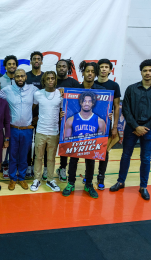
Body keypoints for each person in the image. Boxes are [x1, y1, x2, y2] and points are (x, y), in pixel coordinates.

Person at [110, 59, 151, 200]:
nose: (147, 73)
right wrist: (136, 126)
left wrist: (145, 127)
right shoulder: (131, 88)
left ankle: (143, 186)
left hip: (149, 129)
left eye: (150, 70)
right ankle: (121, 181)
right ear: (141, 72)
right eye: (145, 70)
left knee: (146, 158)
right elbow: (127, 109)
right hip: (131, 128)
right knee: (125, 155)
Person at [61, 61, 109, 199]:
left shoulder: (101, 92)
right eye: (87, 71)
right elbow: (67, 142)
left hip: (92, 140)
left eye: (92, 72)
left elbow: (100, 143)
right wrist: (62, 115)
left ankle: (88, 184)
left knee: (91, 161)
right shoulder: (76, 88)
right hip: (76, 141)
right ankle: (70, 183)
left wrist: (108, 115)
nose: (90, 74)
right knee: (73, 161)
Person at [0, 69, 39, 190]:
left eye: (22, 76)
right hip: (13, 129)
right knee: (13, 155)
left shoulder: (33, 89)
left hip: (27, 129)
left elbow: (36, 102)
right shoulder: (6, 90)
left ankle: (21, 178)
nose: (20, 78)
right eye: (17, 76)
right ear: (13, 78)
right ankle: (12, 178)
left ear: (25, 77)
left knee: (23, 155)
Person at [30, 71, 62, 192]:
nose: (50, 80)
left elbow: (65, 110)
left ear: (55, 80)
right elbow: (31, 108)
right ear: (44, 80)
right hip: (40, 131)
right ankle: (37, 179)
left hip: (54, 132)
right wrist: (32, 120)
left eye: (52, 78)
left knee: (51, 158)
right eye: (48, 78)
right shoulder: (38, 94)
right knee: (38, 157)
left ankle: (50, 180)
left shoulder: (60, 94)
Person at [94, 58, 121, 190]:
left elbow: (116, 107)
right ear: (97, 69)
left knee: (104, 151)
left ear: (110, 70)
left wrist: (115, 126)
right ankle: (88, 175)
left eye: (106, 67)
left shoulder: (114, 86)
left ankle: (101, 176)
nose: (104, 69)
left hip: (106, 124)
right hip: (91, 124)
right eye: (101, 66)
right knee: (90, 149)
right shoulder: (91, 84)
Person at [55, 58, 80, 182]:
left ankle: (63, 168)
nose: (61, 68)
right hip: (52, 119)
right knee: (49, 145)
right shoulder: (51, 81)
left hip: (68, 120)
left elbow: (79, 103)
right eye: (59, 66)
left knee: (66, 145)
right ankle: (45, 168)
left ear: (68, 68)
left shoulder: (74, 83)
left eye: (64, 66)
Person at [26, 51, 46, 179]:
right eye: (34, 59)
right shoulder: (26, 77)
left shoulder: (46, 77)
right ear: (31, 61)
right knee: (28, 143)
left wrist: (39, 115)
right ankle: (28, 166)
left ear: (42, 62)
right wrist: (30, 116)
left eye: (39, 59)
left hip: (43, 117)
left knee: (41, 145)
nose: (36, 61)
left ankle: (41, 168)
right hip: (27, 117)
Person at [0, 55, 18, 178]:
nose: (12, 66)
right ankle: (3, 166)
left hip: (16, 119)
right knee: (4, 145)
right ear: (5, 66)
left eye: (13, 64)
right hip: (3, 119)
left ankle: (13, 166)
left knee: (14, 145)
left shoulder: (20, 80)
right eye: (9, 64)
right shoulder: (0, 81)